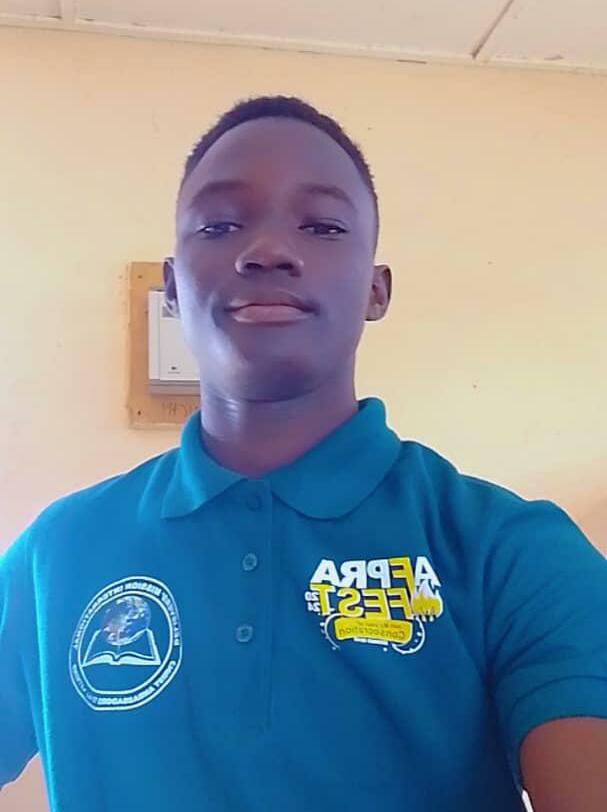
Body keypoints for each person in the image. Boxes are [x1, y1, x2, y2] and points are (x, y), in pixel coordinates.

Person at [1, 95, 606, 812]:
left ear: (376, 289)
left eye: (321, 226)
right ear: (172, 286)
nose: (266, 250)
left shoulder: (510, 550)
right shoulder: (54, 555)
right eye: (220, 225)